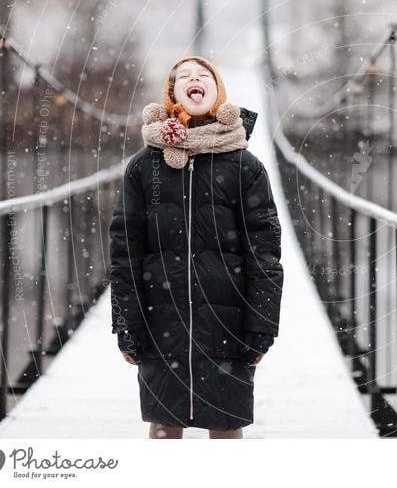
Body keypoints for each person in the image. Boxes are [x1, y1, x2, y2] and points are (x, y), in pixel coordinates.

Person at [109, 55, 283, 439]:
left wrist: (263, 326)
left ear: (218, 92)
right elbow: (125, 251)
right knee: (164, 427)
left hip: (228, 325)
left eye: (203, 75)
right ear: (172, 96)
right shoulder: (145, 167)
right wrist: (126, 323)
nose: (194, 79)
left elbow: (265, 254)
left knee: (226, 427)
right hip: (160, 323)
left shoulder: (245, 167)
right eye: (183, 77)